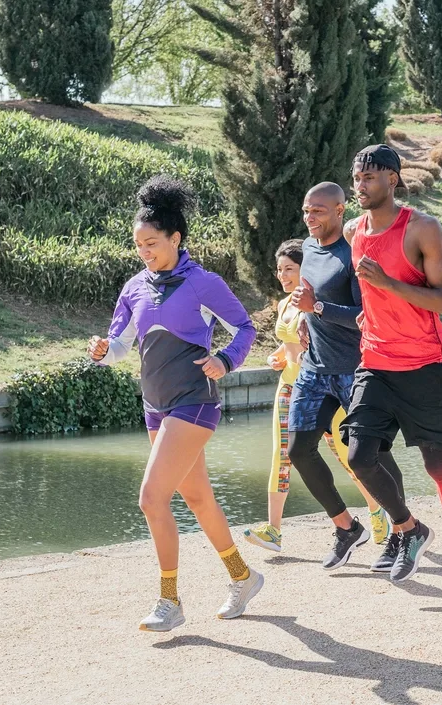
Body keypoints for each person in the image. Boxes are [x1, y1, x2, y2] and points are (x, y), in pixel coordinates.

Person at [88, 176, 261, 633]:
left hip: (195, 401)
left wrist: (225, 360)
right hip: (155, 404)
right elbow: (122, 343)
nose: (143, 250)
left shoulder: (203, 283)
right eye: (138, 244)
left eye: (151, 242)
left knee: (151, 498)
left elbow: (245, 329)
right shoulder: (134, 288)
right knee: (197, 496)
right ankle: (243, 577)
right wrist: (106, 352)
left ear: (175, 238)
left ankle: (170, 599)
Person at [341, 144, 442, 601]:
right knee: (360, 456)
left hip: (422, 363)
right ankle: (409, 527)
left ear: (393, 180)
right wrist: (369, 311)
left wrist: (387, 284)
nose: (360, 185)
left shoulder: (422, 229)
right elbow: (369, 295)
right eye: (356, 178)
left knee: (436, 464)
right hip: (375, 362)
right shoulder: (352, 231)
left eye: (369, 178)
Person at [244, 238, 389, 553]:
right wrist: (279, 356)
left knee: (347, 456)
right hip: (289, 387)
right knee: (282, 455)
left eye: (289, 269)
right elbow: (289, 345)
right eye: (279, 269)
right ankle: (273, 530)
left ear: (306, 270)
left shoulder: (316, 302)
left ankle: (378, 510)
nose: (283, 276)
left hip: (324, 387)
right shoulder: (284, 305)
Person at [280, 182, 394, 569]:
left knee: (375, 455)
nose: (309, 217)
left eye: (318, 211)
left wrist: (320, 308)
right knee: (298, 450)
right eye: (305, 210)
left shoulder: (354, 253)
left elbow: (367, 319)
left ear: (340, 210)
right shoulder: (308, 248)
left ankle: (402, 529)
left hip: (356, 370)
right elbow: (310, 299)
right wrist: (307, 321)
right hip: (315, 367)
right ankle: (347, 528)